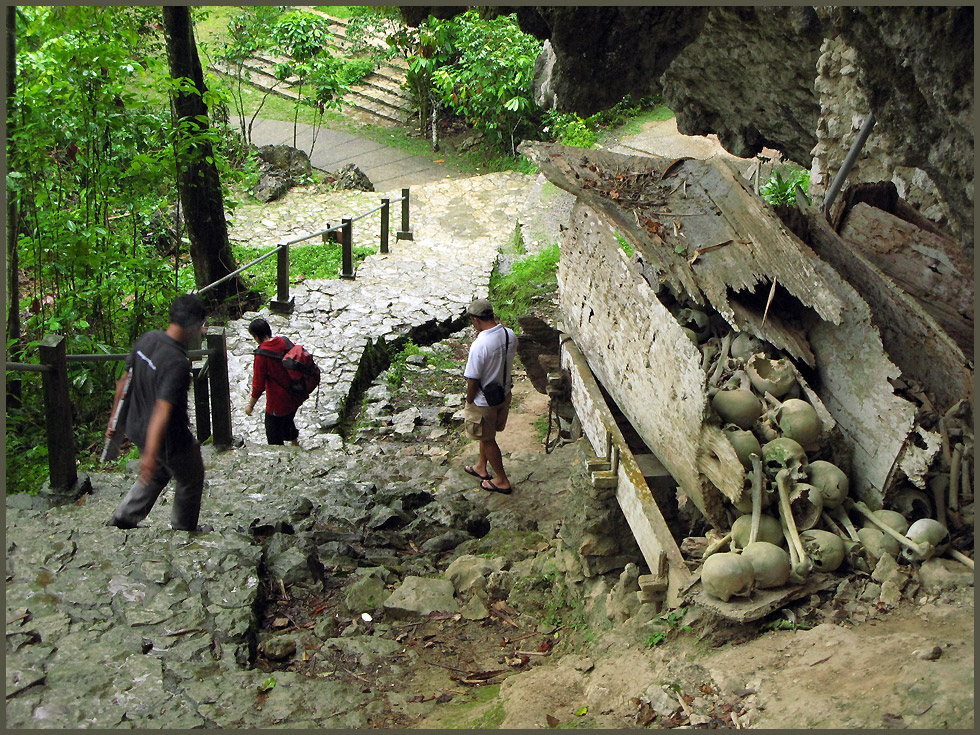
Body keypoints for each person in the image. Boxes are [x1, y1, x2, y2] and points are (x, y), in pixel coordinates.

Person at [107, 294, 209, 532]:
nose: (202, 332)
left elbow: (123, 382)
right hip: (170, 439)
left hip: (137, 427)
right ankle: (183, 529)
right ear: (192, 326)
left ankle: (124, 516)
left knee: (158, 473)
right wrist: (150, 455)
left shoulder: (148, 339)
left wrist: (114, 421)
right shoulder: (177, 363)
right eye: (202, 326)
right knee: (191, 478)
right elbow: (162, 411)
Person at [462, 298, 518, 494]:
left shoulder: (480, 345)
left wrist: (469, 400)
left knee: (487, 438)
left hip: (484, 401)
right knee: (487, 434)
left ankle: (502, 479)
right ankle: (480, 466)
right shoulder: (509, 335)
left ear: (476, 320)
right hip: (504, 394)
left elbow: (473, 380)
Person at [245, 318, 302, 446]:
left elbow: (258, 385)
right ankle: (294, 442)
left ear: (256, 337)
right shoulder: (285, 341)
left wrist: (251, 405)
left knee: (273, 432)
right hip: (294, 394)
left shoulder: (261, 355)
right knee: (288, 419)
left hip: (277, 401)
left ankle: (279, 459)